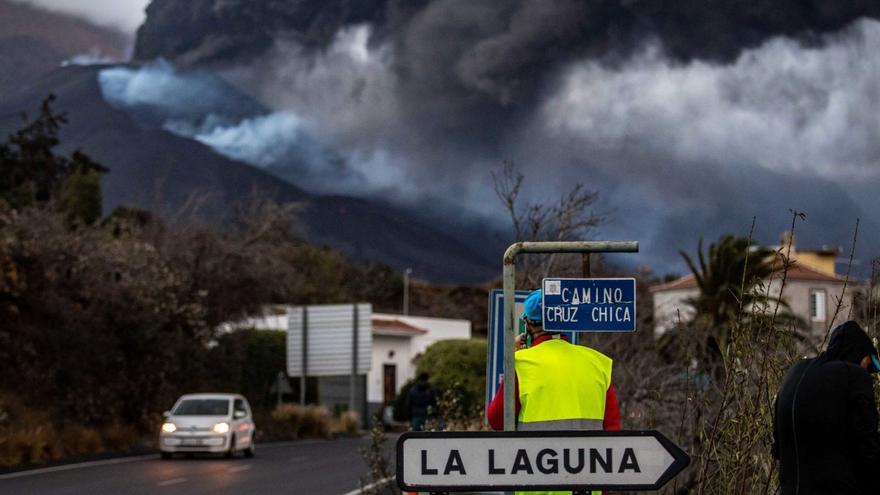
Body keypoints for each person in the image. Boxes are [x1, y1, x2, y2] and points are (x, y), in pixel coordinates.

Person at [487, 289, 621, 495]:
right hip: (587, 488)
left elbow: (497, 420)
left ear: (528, 324)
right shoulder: (598, 363)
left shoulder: (521, 364)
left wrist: (513, 359)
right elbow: (612, 429)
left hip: (536, 487)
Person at [773, 320, 880, 494]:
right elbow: (868, 448)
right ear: (856, 354)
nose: (868, 374)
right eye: (867, 365)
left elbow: (777, 449)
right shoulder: (854, 376)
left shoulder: (793, 373)